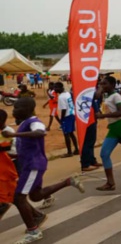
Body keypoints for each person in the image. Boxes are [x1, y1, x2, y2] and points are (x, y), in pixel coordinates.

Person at [5, 98, 85, 244]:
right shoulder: (24, 123)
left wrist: (14, 135)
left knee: (18, 197)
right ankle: (68, 182)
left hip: (33, 165)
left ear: (27, 109)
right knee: (35, 196)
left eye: (17, 108)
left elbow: (40, 133)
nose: (14, 111)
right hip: (31, 163)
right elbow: (27, 147)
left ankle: (33, 231)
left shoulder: (33, 122)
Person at [0, 109, 18, 220]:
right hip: (8, 164)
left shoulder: (7, 132)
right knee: (15, 194)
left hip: (15, 162)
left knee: (16, 193)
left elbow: (6, 147)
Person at [54, 82, 79, 157]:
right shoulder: (67, 94)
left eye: (56, 87)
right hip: (72, 114)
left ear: (60, 88)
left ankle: (69, 152)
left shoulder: (61, 97)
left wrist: (62, 119)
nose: (55, 89)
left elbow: (64, 109)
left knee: (66, 134)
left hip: (67, 116)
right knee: (71, 133)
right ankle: (76, 149)